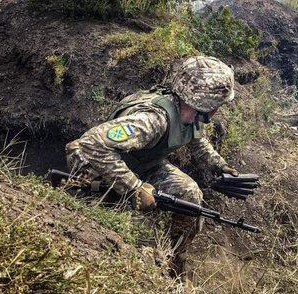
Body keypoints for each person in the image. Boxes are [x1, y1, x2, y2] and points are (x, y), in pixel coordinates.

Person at [65, 56, 239, 277]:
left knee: (190, 195)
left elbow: (196, 139)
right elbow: (93, 144)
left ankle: (174, 260)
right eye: (218, 104)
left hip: (144, 164)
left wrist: (219, 165)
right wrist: (134, 188)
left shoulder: (190, 114)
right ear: (206, 102)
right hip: (97, 165)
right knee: (135, 230)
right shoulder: (153, 120)